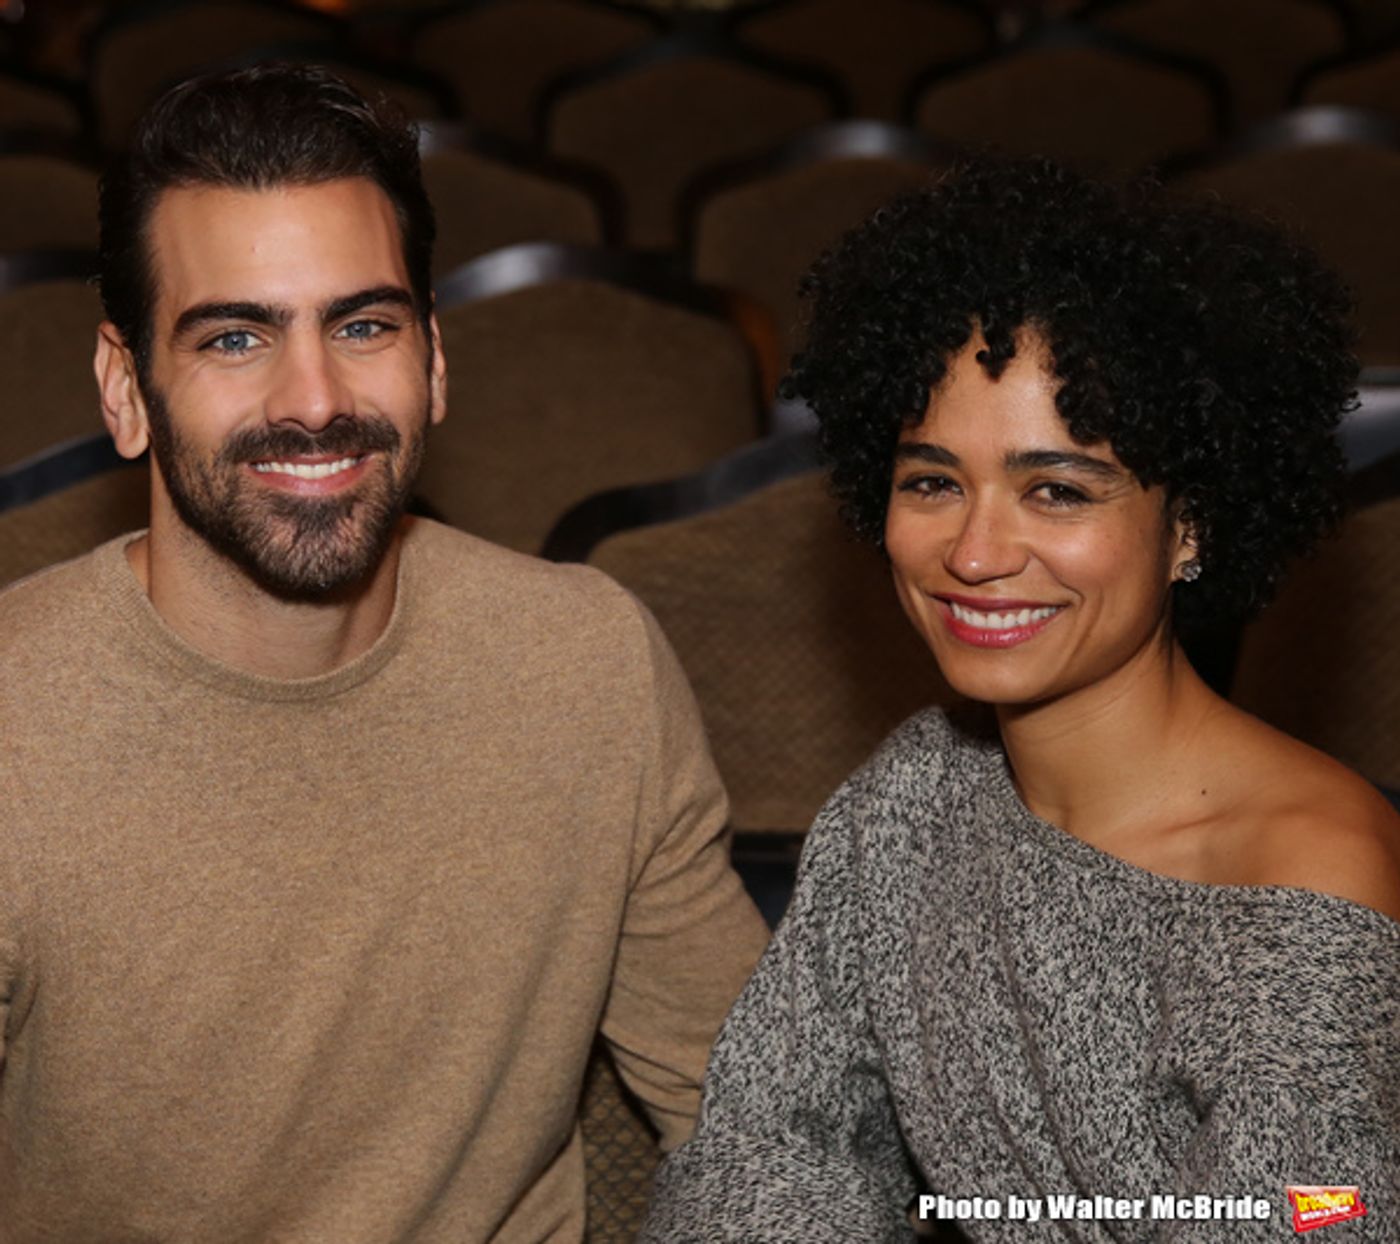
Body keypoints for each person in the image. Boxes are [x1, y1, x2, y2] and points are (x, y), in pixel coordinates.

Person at [0, 65, 768, 1241]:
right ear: (126, 387)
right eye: (234, 337)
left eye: (363, 326)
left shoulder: (585, 662)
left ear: (435, 361)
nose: (314, 399)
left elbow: (768, 1123)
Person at [642, 156, 1400, 1241]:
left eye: (1055, 489)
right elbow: (772, 1144)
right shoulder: (910, 794)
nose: (975, 551)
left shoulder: (1301, 877)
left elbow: (1312, 1215)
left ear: (1188, 523)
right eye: (931, 481)